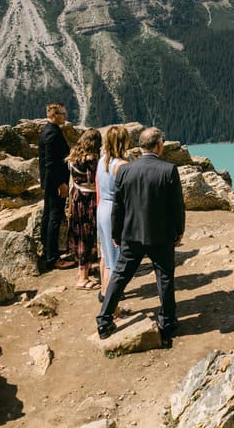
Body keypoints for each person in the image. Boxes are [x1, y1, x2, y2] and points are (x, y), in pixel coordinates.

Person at [97, 126, 185, 346]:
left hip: (131, 233)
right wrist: (179, 231)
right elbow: (177, 207)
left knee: (120, 275)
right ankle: (167, 322)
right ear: (159, 145)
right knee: (164, 277)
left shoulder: (126, 170)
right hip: (161, 235)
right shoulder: (168, 170)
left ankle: (104, 319)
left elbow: (118, 206)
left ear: (140, 146)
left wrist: (116, 233)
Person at [96, 124, 134, 302]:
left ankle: (104, 293)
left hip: (102, 208)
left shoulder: (102, 160)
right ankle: (113, 310)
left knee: (106, 256)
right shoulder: (122, 165)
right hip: (115, 212)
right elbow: (129, 194)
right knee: (116, 263)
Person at [37, 102, 73, 272]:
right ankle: (53, 258)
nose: (65, 116)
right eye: (62, 114)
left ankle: (46, 250)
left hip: (48, 181)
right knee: (55, 217)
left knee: (47, 215)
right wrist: (61, 184)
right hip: (55, 182)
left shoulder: (47, 130)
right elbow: (51, 163)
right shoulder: (52, 133)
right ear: (53, 115)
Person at [65, 126, 101, 289]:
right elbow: (96, 180)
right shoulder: (92, 159)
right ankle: (83, 278)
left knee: (79, 234)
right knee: (88, 236)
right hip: (89, 199)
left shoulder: (73, 156)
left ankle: (83, 271)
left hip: (76, 197)